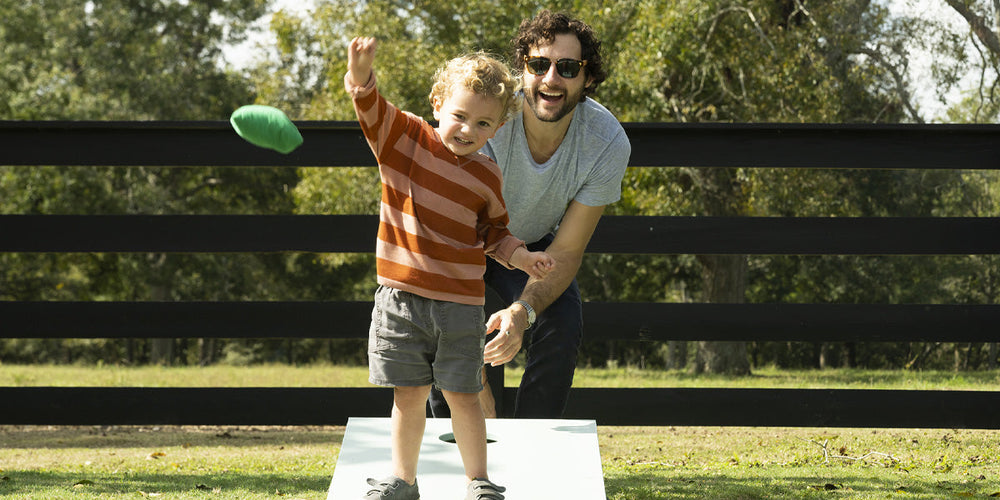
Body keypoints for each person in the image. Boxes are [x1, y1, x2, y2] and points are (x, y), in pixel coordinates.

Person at [345, 36, 555, 500]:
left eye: (482, 123)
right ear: (437, 103)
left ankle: (478, 480)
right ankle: (403, 480)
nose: (466, 130)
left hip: (460, 306)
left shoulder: (487, 176)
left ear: (498, 128)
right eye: (459, 116)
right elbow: (370, 108)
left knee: (465, 395)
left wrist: (522, 258)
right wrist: (361, 76)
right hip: (401, 300)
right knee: (408, 395)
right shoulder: (404, 140)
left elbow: (494, 234)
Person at [428, 10, 631, 419]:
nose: (551, 78)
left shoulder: (606, 142)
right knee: (447, 329)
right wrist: (475, 383)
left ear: (588, 78)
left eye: (568, 67)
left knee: (561, 319)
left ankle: (536, 454)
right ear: (523, 70)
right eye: (539, 64)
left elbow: (567, 252)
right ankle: (450, 455)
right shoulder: (486, 120)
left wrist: (522, 313)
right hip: (456, 245)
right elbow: (448, 239)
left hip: (532, 246)